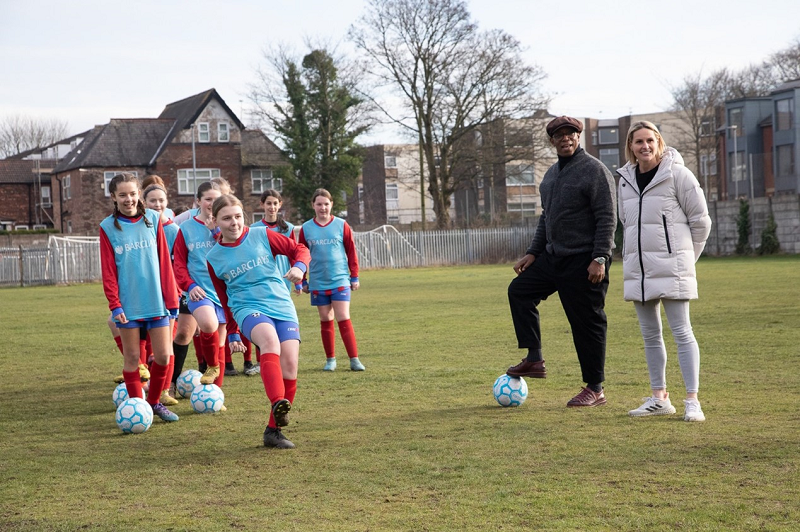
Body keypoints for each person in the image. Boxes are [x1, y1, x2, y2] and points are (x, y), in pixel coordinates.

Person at [505, 116, 617, 407]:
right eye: (559, 135)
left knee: (586, 324)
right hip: (553, 258)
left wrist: (600, 257)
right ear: (551, 141)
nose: (566, 138)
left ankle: (595, 388)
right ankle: (534, 358)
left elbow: (608, 217)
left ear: (579, 137)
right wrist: (533, 252)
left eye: (571, 134)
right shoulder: (551, 175)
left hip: (585, 261)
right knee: (519, 291)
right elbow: (547, 218)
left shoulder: (595, 171)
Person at [616, 121, 711, 422]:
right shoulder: (624, 181)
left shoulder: (679, 175)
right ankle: (659, 398)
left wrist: (685, 260)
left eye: (649, 140)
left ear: (659, 142)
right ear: (630, 146)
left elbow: (701, 222)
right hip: (639, 272)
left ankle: (692, 401)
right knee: (650, 336)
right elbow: (626, 223)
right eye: (638, 142)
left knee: (682, 333)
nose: (644, 146)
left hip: (674, 269)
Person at [206, 194, 310, 448]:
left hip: (281, 304)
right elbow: (223, 297)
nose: (234, 223)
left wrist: (300, 267)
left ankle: (273, 431)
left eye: (238, 216)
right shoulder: (214, 257)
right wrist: (231, 332)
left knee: (290, 367)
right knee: (269, 342)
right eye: (227, 218)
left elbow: (300, 249)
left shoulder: (262, 234)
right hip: (247, 308)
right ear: (215, 220)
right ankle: (277, 401)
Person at [100, 172, 180, 423]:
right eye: (122, 195)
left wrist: (172, 300)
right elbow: (108, 270)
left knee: (164, 357)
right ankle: (138, 405)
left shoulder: (154, 220)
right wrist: (115, 304)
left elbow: (165, 264)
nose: (128, 199)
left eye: (133, 194)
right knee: (133, 358)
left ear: (139, 195)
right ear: (113, 197)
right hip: (128, 305)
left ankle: (154, 402)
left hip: (156, 300)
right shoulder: (107, 227)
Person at [298, 188, 365, 372]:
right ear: (313, 205)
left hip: (340, 280)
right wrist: (302, 280)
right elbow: (301, 254)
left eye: (326, 204)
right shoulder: (306, 228)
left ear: (331, 204)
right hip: (318, 281)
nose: (323, 208)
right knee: (326, 318)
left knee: (343, 317)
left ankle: (354, 359)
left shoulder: (341, 225)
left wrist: (354, 276)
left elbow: (351, 251)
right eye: (319, 204)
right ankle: (331, 360)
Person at [172, 181, 228, 390]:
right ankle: (171, 381)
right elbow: (179, 263)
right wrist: (189, 284)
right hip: (197, 291)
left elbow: (231, 254)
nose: (212, 204)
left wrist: (216, 232)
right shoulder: (186, 228)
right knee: (197, 328)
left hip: (223, 291)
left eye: (217, 199)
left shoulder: (227, 225)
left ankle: (215, 392)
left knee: (220, 344)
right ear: (198, 201)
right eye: (208, 199)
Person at [143, 180, 181, 406]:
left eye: (161, 201)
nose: (157, 204)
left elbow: (179, 264)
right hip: (145, 293)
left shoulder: (173, 230)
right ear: (144, 203)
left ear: (167, 203)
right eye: (152, 201)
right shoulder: (140, 227)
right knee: (147, 343)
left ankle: (165, 390)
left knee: (166, 345)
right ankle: (144, 384)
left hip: (169, 294)